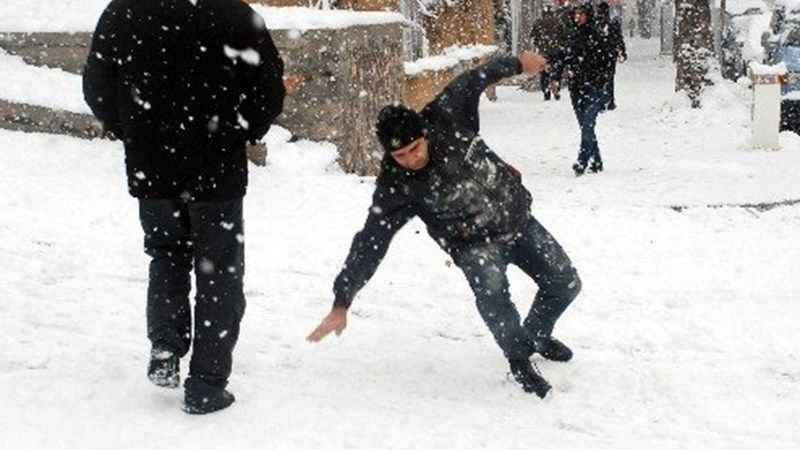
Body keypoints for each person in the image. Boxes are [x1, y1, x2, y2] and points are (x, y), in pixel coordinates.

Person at [307, 52, 582, 398]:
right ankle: (519, 359)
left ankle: (538, 334)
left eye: (414, 148)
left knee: (565, 283)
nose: (410, 160)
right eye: (399, 156)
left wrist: (518, 65)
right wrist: (342, 300)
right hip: (472, 244)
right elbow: (370, 241)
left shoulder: (448, 113)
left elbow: (477, 76)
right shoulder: (396, 186)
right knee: (494, 297)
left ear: (424, 133)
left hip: (518, 220)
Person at [83, 0, 285, 414]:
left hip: (152, 165)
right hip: (216, 166)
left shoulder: (124, 12)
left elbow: (97, 85)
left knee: (166, 254)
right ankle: (208, 383)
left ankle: (166, 346)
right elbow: (268, 87)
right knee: (219, 269)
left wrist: (131, 129)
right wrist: (245, 129)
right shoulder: (234, 14)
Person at [551, 2, 615, 176]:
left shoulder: (597, 36)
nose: (577, 17)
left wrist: (600, 82)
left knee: (588, 124)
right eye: (576, 14)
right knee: (585, 126)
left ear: (588, 15)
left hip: (593, 88)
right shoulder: (571, 36)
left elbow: (608, 62)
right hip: (576, 88)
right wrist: (556, 77)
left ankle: (582, 161)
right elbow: (561, 58)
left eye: (581, 14)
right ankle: (597, 160)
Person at [530, 5, 565, 101]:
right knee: (556, 71)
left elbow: (533, 36)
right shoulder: (558, 22)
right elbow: (563, 36)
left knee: (544, 73)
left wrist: (539, 45)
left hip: (543, 52)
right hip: (556, 51)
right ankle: (556, 87)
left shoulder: (538, 23)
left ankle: (546, 91)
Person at [597, 1, 627, 110]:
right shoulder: (613, 25)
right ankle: (610, 101)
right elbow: (619, 39)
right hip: (610, 55)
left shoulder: (595, 25)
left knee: (599, 79)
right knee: (609, 79)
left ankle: (601, 101)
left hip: (598, 56)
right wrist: (622, 52)